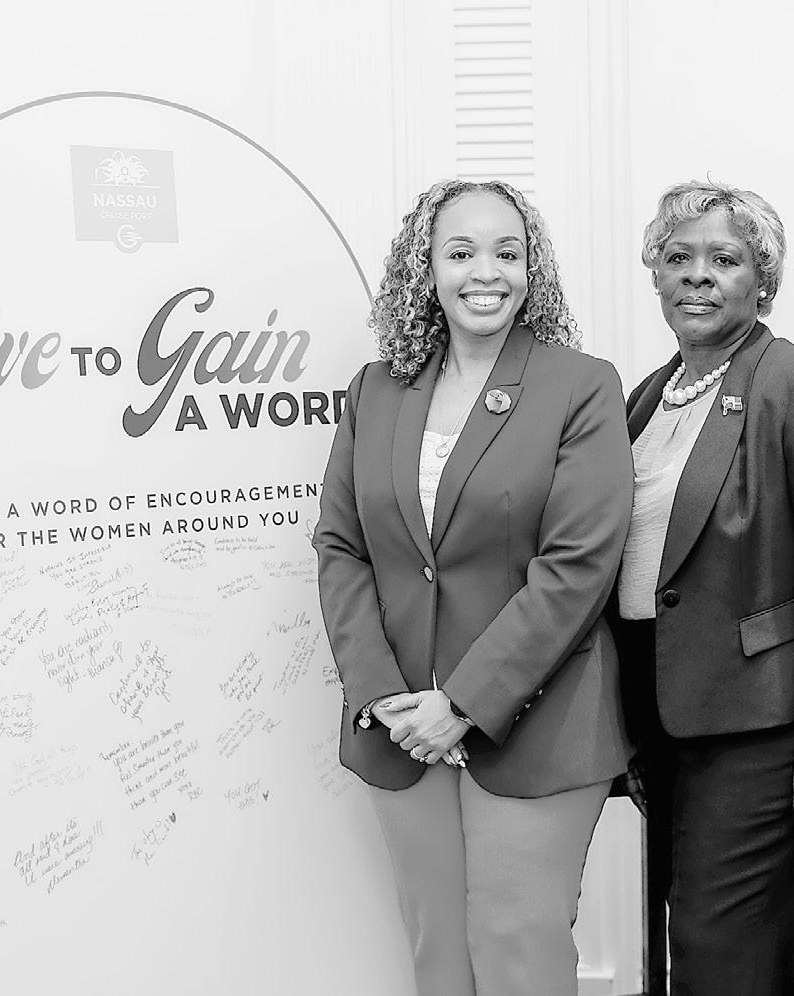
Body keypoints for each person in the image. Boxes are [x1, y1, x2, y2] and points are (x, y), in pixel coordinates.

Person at [313, 178, 633, 996]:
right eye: (460, 252)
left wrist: (461, 702)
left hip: (537, 721)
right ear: (425, 267)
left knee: (515, 946)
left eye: (506, 252)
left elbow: (578, 566)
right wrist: (381, 694)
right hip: (401, 726)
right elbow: (343, 546)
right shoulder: (376, 389)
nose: (484, 272)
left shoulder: (580, 384)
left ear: (532, 269)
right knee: (438, 950)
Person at [610, 180, 794, 995]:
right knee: (758, 960)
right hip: (668, 722)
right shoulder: (646, 397)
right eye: (678, 257)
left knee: (716, 956)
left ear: (763, 280)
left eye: (724, 259)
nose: (697, 275)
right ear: (656, 274)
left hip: (766, 728)